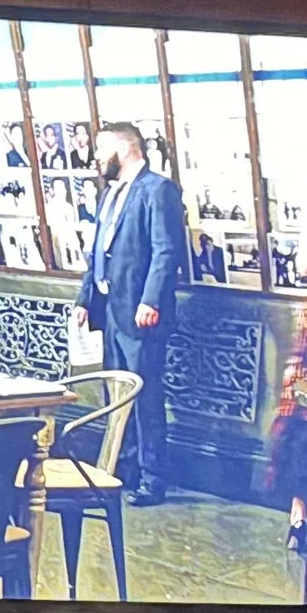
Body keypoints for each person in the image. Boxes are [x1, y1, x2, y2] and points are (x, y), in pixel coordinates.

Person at [73, 117, 191, 504]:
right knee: (116, 395)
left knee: (145, 395)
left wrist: (151, 300)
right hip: (109, 311)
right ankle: (122, 470)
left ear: (124, 149)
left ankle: (153, 479)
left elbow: (165, 251)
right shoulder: (109, 194)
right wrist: (83, 301)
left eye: (100, 149)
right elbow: (97, 255)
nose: (95, 157)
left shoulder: (158, 190)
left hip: (140, 314)